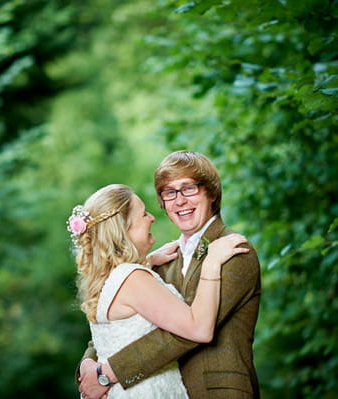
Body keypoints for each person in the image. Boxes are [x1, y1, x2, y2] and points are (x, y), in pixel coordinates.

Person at [77, 151, 261, 399]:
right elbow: (123, 324)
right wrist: (89, 363)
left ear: (212, 193)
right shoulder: (161, 262)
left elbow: (187, 332)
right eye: (169, 192)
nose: (180, 200)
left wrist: (107, 372)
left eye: (189, 189)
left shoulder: (232, 251)